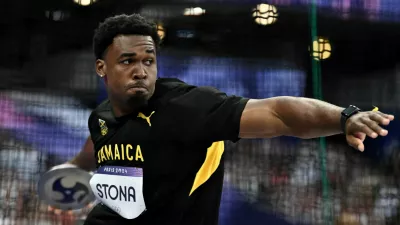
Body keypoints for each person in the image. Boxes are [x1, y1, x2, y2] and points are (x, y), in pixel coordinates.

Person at [47, 13, 394, 225]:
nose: (140, 71)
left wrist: (344, 117)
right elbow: (87, 158)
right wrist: (63, 192)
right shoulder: (102, 117)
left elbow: (280, 112)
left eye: (148, 60)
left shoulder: (187, 106)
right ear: (101, 68)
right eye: (127, 61)